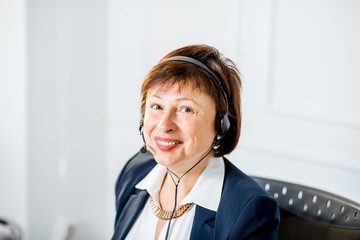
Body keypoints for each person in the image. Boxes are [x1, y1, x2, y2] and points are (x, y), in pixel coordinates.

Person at [112, 45, 280, 240]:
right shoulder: (135, 173)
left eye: (186, 109)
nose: (164, 125)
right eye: (156, 106)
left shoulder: (250, 211)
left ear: (221, 124)